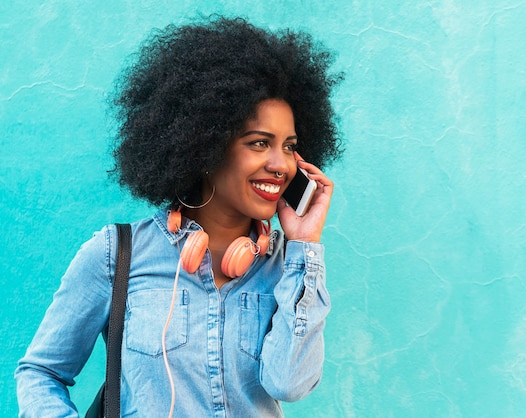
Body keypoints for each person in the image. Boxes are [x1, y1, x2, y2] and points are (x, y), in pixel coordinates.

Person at [15, 15, 343, 417]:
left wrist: (305, 247)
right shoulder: (115, 255)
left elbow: (289, 384)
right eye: (259, 143)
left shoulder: (288, 266)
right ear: (206, 144)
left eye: (289, 146)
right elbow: (40, 372)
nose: (281, 165)